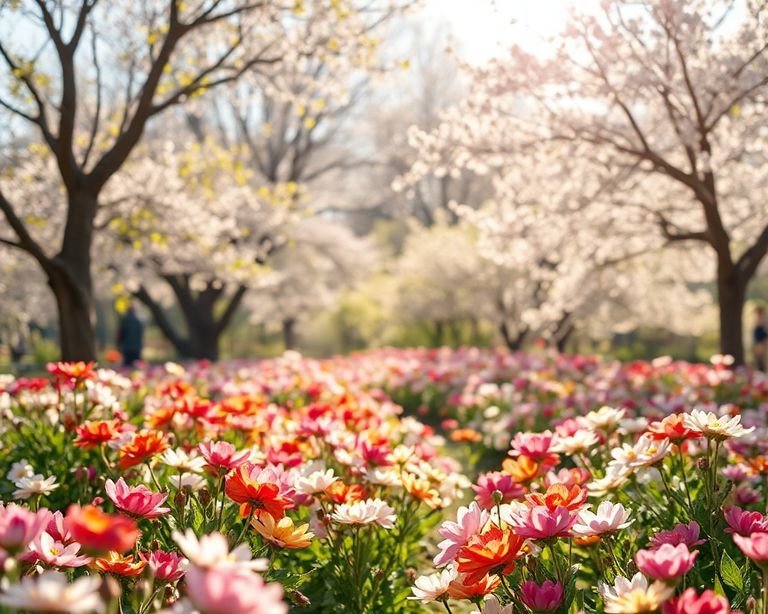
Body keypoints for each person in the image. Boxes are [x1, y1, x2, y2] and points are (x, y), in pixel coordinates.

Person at [117, 303, 144, 367]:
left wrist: (118, 344)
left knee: (127, 366)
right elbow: (140, 334)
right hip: (136, 347)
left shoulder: (124, 320)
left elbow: (120, 334)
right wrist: (140, 345)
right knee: (136, 366)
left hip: (127, 347)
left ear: (127, 310)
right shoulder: (138, 320)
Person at [753, 305, 768, 372]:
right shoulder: (756, 322)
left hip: (763, 344)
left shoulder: (764, 322)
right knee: (759, 363)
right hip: (758, 344)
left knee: (764, 362)